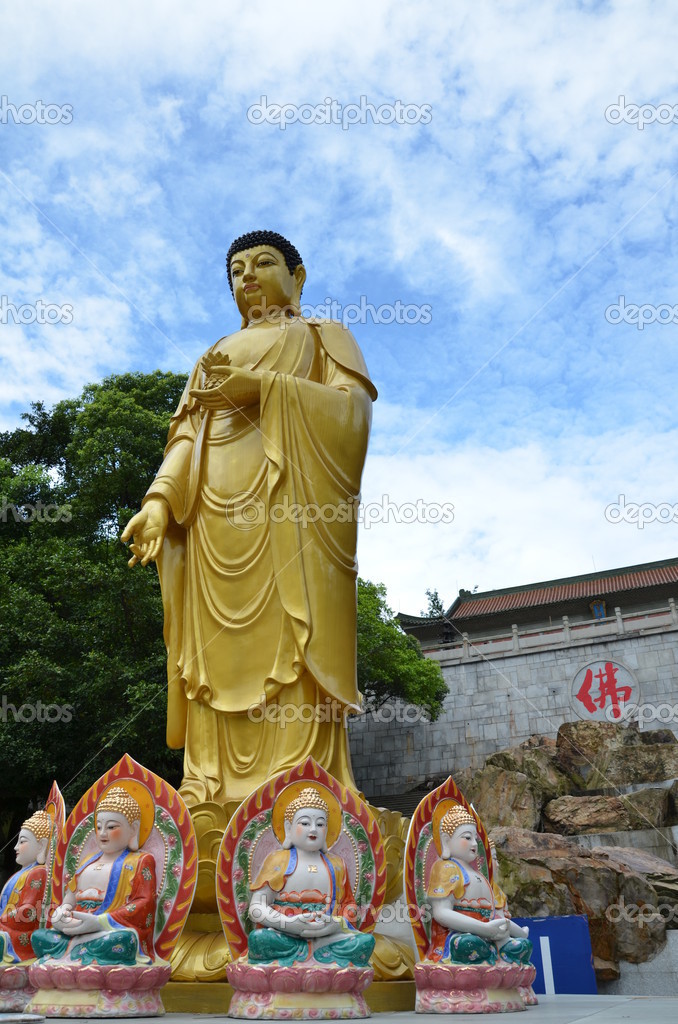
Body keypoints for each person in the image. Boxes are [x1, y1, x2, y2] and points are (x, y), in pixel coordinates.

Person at [122, 231, 377, 808]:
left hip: (289, 518)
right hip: (211, 518)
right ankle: (207, 786)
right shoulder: (214, 353)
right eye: (236, 270)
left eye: (264, 263)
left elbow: (354, 415)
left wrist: (260, 390)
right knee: (208, 656)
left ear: (298, 275)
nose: (248, 276)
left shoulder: (321, 336)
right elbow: (187, 438)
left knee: (290, 645)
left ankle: (299, 789)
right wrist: (159, 502)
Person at [247, 786, 374, 967]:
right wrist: (288, 924)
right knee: (259, 940)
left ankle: (311, 954)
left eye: (320, 824)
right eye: (305, 823)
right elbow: (257, 908)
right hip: (285, 935)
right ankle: (316, 958)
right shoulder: (278, 860)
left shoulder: (337, 864)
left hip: (328, 937)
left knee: (365, 943)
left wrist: (335, 925)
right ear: (289, 828)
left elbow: (350, 907)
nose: (313, 829)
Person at [31, 787, 159, 966]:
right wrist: (60, 914)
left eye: (112, 827)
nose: (103, 833)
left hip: (108, 931)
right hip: (75, 928)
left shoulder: (141, 861)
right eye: (98, 827)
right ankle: (76, 956)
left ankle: (71, 960)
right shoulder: (87, 861)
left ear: (133, 829)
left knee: (122, 940)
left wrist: (101, 921)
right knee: (39, 937)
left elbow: (144, 904)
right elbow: (70, 899)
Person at [426, 805, 532, 965]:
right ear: (446, 840)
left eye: (475, 838)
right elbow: (441, 913)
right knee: (468, 945)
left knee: (524, 946)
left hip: (491, 937)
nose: (474, 844)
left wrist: (515, 932)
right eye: (467, 838)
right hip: (458, 936)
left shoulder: (480, 875)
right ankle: (492, 961)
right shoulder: (446, 868)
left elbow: (496, 917)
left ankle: (495, 958)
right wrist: (483, 930)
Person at [0, 810, 50, 963]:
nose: (15, 847)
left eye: (22, 842)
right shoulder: (20, 874)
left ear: (41, 845)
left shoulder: (39, 872)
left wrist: (2, 918)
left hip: (21, 936)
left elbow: (29, 912)